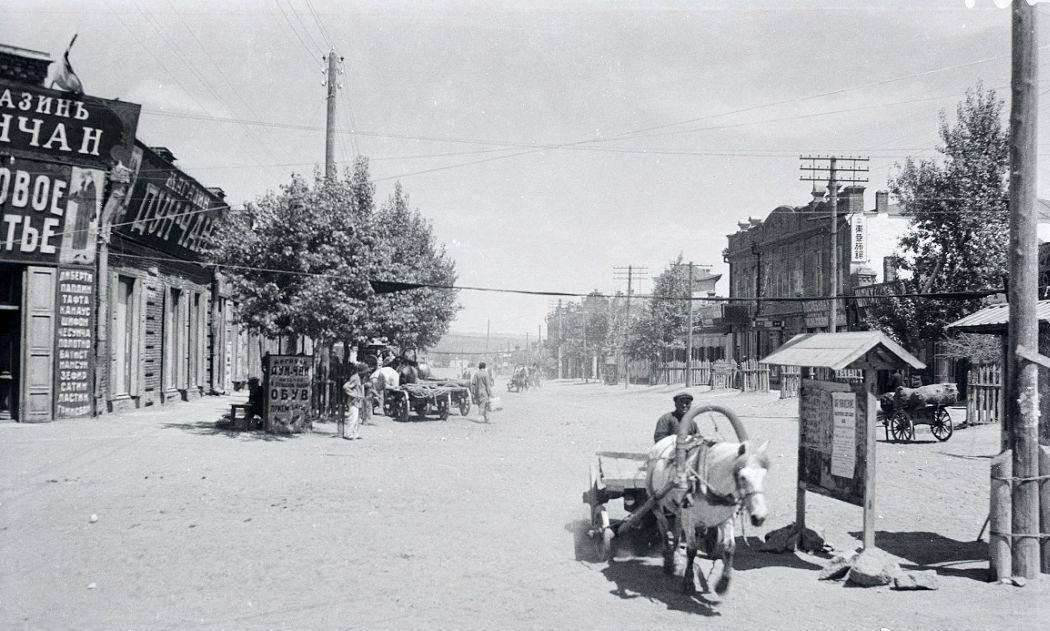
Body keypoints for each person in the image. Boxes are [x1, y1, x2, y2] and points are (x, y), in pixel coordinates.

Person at [340, 363, 364, 440]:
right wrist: (354, 394)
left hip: (359, 401)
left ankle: (355, 434)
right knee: (353, 417)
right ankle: (348, 434)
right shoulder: (355, 378)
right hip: (354, 401)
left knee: (357, 419)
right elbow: (346, 387)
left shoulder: (361, 378)